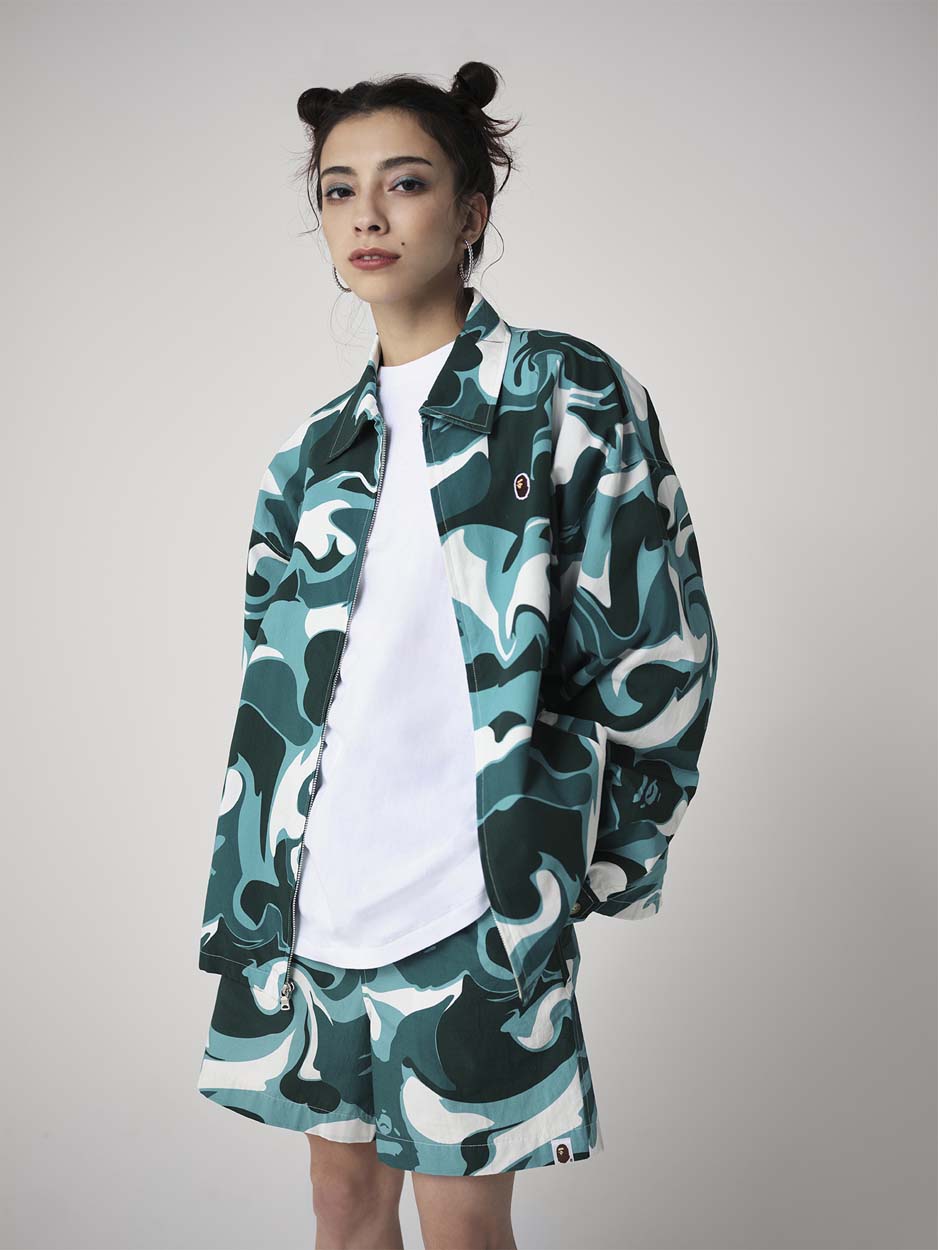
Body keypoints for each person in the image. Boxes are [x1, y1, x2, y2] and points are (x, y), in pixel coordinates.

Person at [196, 60, 719, 1250]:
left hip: (470, 892)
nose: (366, 215)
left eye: (405, 182)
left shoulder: (566, 393)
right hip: (315, 887)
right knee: (341, 1211)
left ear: (470, 209)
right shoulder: (307, 455)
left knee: (465, 1229)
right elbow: (271, 681)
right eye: (338, 190)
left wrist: (588, 862)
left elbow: (658, 642)